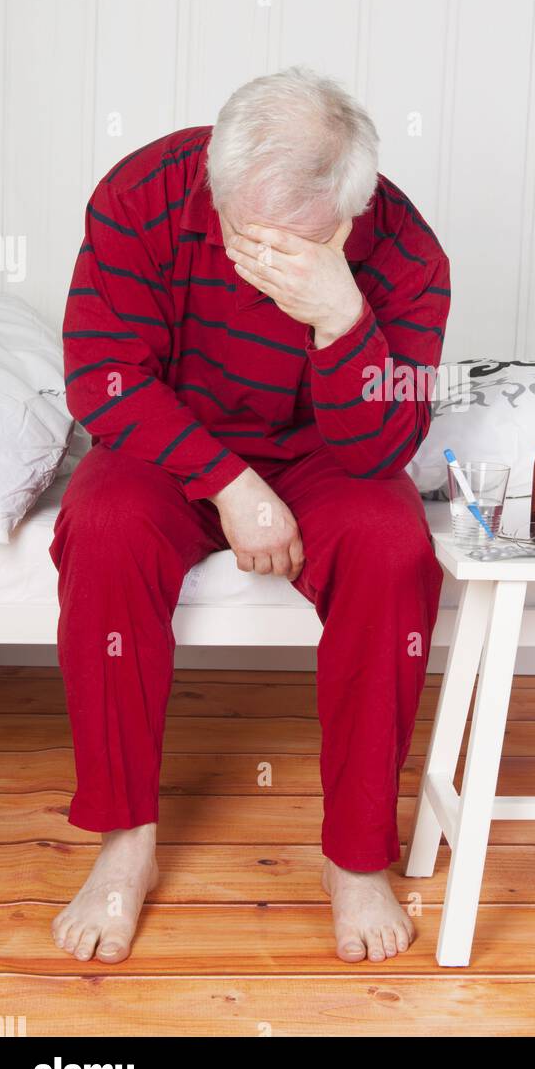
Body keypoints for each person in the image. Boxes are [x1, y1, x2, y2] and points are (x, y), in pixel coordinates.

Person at [49, 67, 451, 964]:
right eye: (240, 231)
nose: (254, 260)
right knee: (102, 526)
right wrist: (230, 484)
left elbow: (381, 452)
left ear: (348, 217)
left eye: (289, 245)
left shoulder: (409, 252)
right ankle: (126, 843)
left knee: (392, 547)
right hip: (173, 442)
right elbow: (102, 377)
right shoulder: (142, 191)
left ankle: (355, 858)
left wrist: (342, 321)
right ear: (214, 180)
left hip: (328, 453)